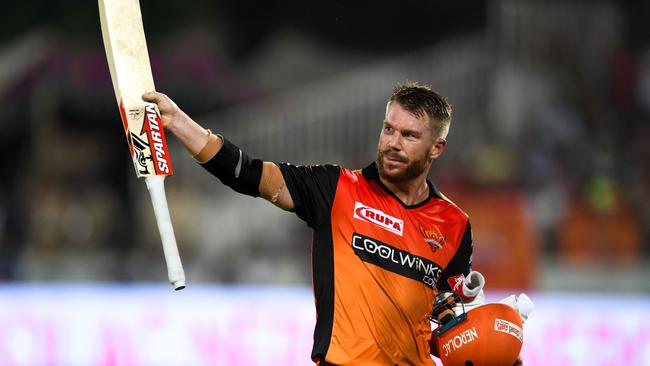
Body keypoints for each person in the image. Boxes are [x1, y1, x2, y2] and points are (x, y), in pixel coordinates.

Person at [143, 82, 486, 365]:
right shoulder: (335, 188)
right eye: (388, 130)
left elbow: (449, 326)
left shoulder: (455, 225)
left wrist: (489, 350)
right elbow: (245, 172)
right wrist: (177, 122)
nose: (392, 144)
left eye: (409, 136)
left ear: (436, 148)